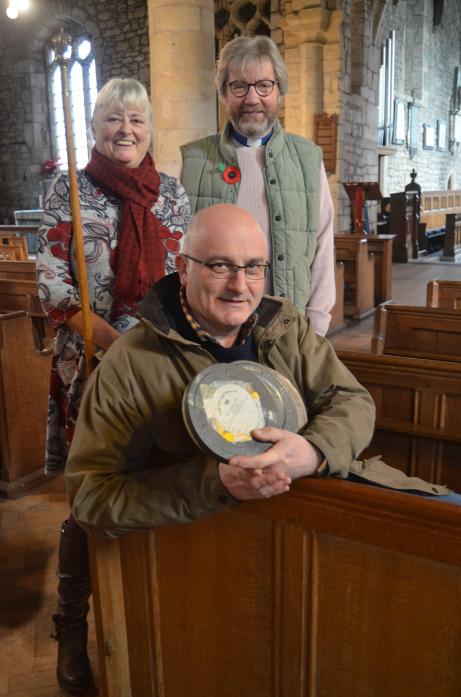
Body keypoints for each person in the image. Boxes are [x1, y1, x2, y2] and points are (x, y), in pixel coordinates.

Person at [65, 204, 458, 549]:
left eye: (253, 267)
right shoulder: (131, 362)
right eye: (220, 266)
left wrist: (315, 450)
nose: (240, 286)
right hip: (217, 547)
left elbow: (352, 400)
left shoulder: (283, 324)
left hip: (326, 505)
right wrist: (215, 482)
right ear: (184, 269)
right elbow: (91, 500)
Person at [36, 78, 190, 693]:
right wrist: (120, 346)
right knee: (89, 496)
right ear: (95, 129)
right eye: (113, 120)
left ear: (150, 129)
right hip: (94, 367)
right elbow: (54, 289)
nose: (125, 130)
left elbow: (189, 280)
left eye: (136, 120)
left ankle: (151, 621)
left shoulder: (172, 194)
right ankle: (72, 630)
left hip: (164, 367)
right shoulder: (67, 189)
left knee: (157, 479)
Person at [180, 35, 335, 337]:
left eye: (264, 85)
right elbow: (179, 250)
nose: (252, 99)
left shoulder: (307, 160)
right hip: (211, 331)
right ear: (224, 93)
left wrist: (315, 328)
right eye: (239, 86)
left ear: (280, 92)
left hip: (288, 330)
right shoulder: (193, 160)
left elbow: (322, 247)